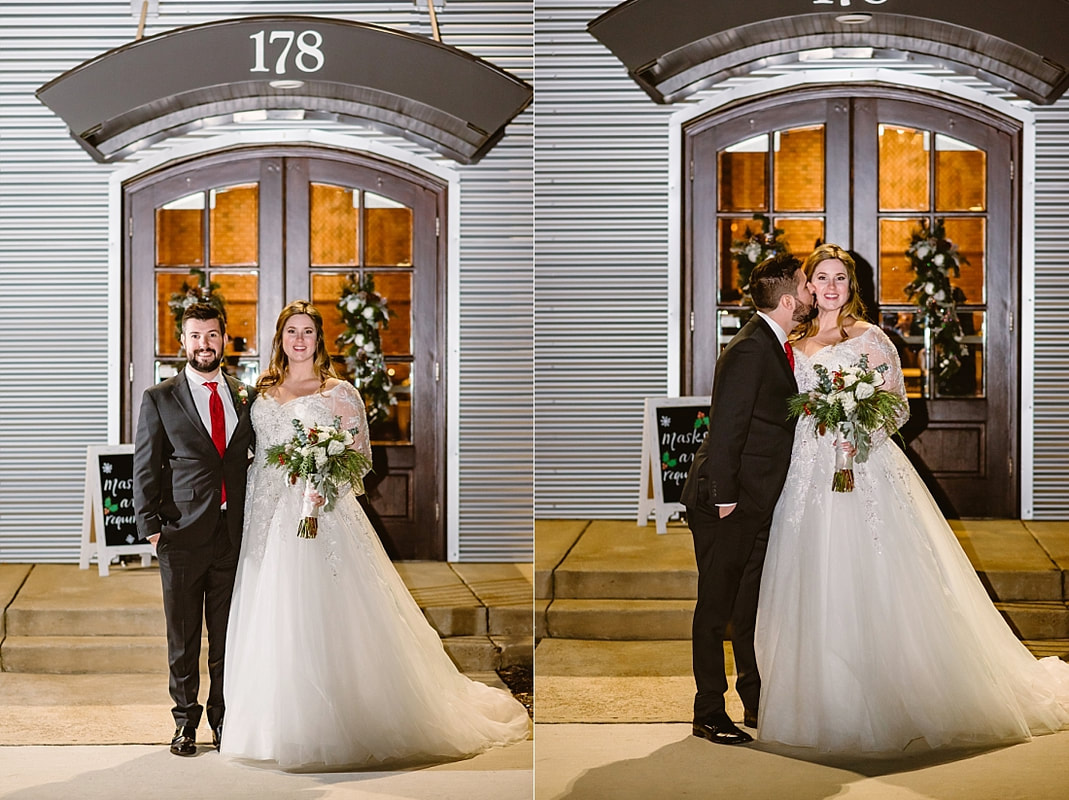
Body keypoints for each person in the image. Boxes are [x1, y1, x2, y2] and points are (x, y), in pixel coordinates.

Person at [756, 243, 1069, 754]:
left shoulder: (871, 338)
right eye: (822, 277)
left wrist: (860, 432)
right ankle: (824, 698)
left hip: (864, 468)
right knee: (814, 574)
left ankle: (897, 695)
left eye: (840, 278)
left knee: (877, 574)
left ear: (850, 286)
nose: (831, 287)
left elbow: (898, 409)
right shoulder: (793, 339)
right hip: (807, 474)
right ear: (807, 285)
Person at [220, 300, 530, 768]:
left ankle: (336, 721)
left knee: (325, 614)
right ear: (279, 339)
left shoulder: (338, 392)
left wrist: (325, 483)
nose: (299, 339)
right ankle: (271, 726)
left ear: (318, 339)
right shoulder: (261, 392)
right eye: (291, 332)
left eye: (307, 331)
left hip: (321, 517)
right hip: (265, 517)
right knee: (269, 612)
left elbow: (360, 458)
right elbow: (252, 454)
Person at [680, 253, 814, 746]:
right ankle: (708, 710)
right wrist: (725, 499)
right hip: (727, 504)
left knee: (747, 609)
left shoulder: (774, 344)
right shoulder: (749, 350)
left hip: (756, 502)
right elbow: (726, 430)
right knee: (716, 610)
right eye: (804, 286)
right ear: (786, 300)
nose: (810, 293)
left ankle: (754, 701)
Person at [133, 302, 255, 756]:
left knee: (226, 637)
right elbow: (144, 466)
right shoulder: (160, 397)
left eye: (212, 335)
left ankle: (223, 721)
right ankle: (185, 723)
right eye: (195, 336)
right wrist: (151, 528)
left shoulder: (246, 396)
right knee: (183, 638)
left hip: (232, 536)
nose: (204, 344)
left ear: (225, 339)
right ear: (182, 343)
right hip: (180, 535)